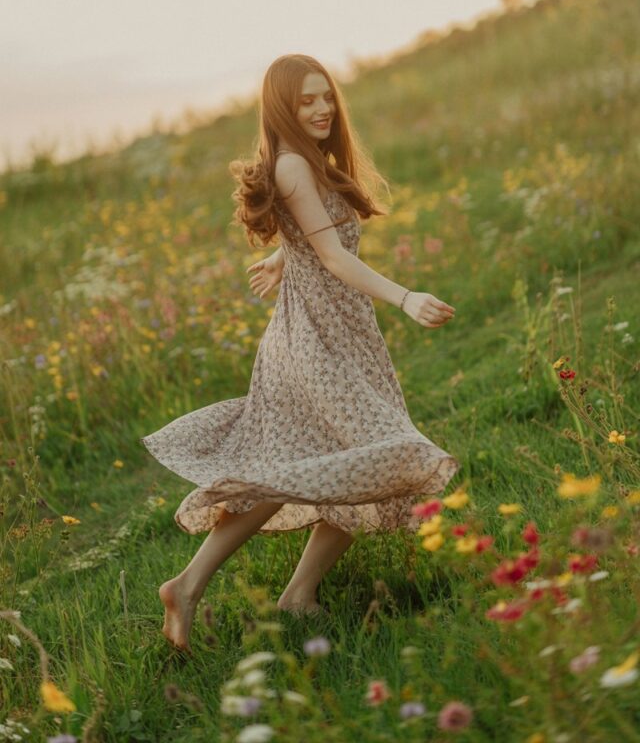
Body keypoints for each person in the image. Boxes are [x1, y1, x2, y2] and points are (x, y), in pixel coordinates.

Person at [140, 53, 460, 654]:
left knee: (340, 462)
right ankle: (192, 586)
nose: (321, 109)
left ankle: (282, 593)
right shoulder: (292, 164)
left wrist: (282, 255)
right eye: (306, 100)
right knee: (373, 457)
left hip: (337, 334)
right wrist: (406, 297)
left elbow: (313, 234)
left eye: (326, 96)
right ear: (282, 108)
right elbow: (334, 256)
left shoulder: (306, 160)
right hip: (315, 341)